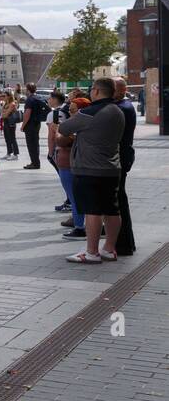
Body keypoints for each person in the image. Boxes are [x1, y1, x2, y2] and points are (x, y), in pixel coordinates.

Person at [58, 78, 124, 264]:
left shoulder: (91, 112)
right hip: (112, 167)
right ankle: (109, 249)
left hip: (89, 168)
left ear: (95, 91)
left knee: (92, 211)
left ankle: (91, 252)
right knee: (112, 210)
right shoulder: (118, 111)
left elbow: (64, 128)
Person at [56, 96, 88, 241]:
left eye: (73, 110)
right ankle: (79, 223)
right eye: (69, 109)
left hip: (71, 164)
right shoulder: (76, 123)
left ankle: (80, 226)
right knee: (75, 197)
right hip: (68, 162)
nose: (70, 112)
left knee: (75, 197)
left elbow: (60, 139)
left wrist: (58, 132)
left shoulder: (79, 124)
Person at [112, 77, 137, 256]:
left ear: (121, 90)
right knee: (119, 199)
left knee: (118, 200)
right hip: (122, 157)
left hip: (120, 158)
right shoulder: (122, 106)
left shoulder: (122, 108)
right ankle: (125, 242)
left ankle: (123, 244)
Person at [20, 82, 48, 169]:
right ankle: (36, 162)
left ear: (28, 90)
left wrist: (23, 125)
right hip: (37, 123)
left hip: (30, 124)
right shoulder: (39, 97)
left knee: (31, 144)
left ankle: (35, 163)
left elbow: (27, 113)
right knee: (35, 143)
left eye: (25, 89)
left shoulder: (30, 99)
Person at [1, 90, 20, 160]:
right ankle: (9, 153)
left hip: (11, 122)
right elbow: (2, 113)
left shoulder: (12, 104)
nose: (3, 97)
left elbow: (5, 114)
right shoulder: (5, 103)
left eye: (4, 96)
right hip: (5, 122)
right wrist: (4, 113)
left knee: (12, 138)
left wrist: (4, 113)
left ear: (9, 96)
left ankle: (15, 154)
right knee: (7, 138)